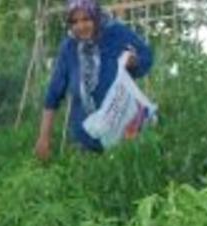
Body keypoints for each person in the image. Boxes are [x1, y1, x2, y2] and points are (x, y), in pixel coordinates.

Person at [35, 0, 153, 160]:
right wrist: (44, 138)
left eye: (86, 19)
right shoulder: (69, 48)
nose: (81, 26)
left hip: (123, 135)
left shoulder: (116, 33)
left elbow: (146, 56)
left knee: (125, 179)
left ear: (96, 17)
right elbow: (53, 95)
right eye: (74, 22)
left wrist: (134, 61)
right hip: (86, 140)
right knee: (87, 181)